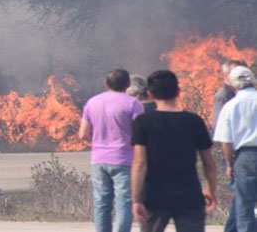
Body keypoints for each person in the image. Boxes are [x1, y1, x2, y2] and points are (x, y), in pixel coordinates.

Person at [131, 70, 218, 232]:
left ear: (150, 94)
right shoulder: (194, 121)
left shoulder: (142, 122)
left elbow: (139, 163)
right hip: (189, 196)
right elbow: (208, 163)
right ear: (178, 92)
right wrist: (210, 189)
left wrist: (136, 199)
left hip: (154, 196)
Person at [79, 69, 144, 232]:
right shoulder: (133, 104)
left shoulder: (92, 102)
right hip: (124, 160)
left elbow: (83, 134)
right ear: (128, 84)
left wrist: (98, 145)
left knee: (101, 204)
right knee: (124, 202)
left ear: (106, 84)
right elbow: (141, 133)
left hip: (98, 160)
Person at [214, 66, 257, 232]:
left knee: (244, 204)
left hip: (244, 158)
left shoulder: (231, 106)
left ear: (233, 85)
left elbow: (226, 141)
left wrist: (229, 164)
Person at [213, 59, 247, 137]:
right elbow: (219, 125)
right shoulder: (223, 96)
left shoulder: (243, 93)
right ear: (225, 75)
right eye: (235, 72)